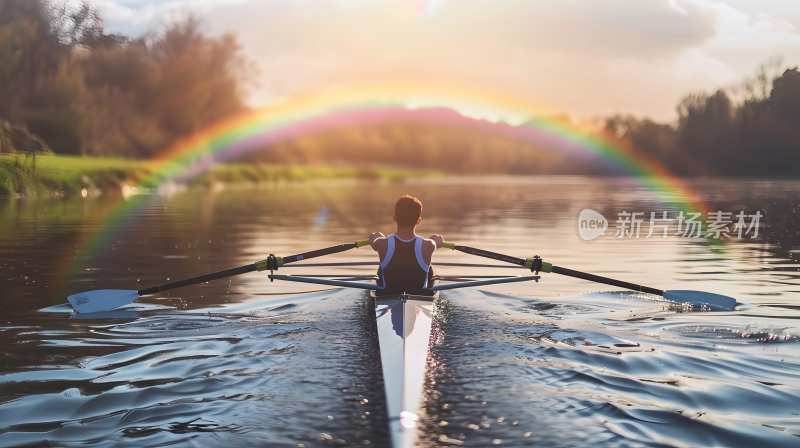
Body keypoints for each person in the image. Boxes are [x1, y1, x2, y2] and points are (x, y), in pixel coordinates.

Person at [369, 195, 443, 295]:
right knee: (429, 267)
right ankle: (430, 292)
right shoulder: (429, 245)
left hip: (388, 296)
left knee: (381, 265)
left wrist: (378, 236)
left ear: (394, 218)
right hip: (420, 297)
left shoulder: (381, 244)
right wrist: (436, 241)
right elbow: (436, 242)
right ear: (418, 221)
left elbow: (373, 239)